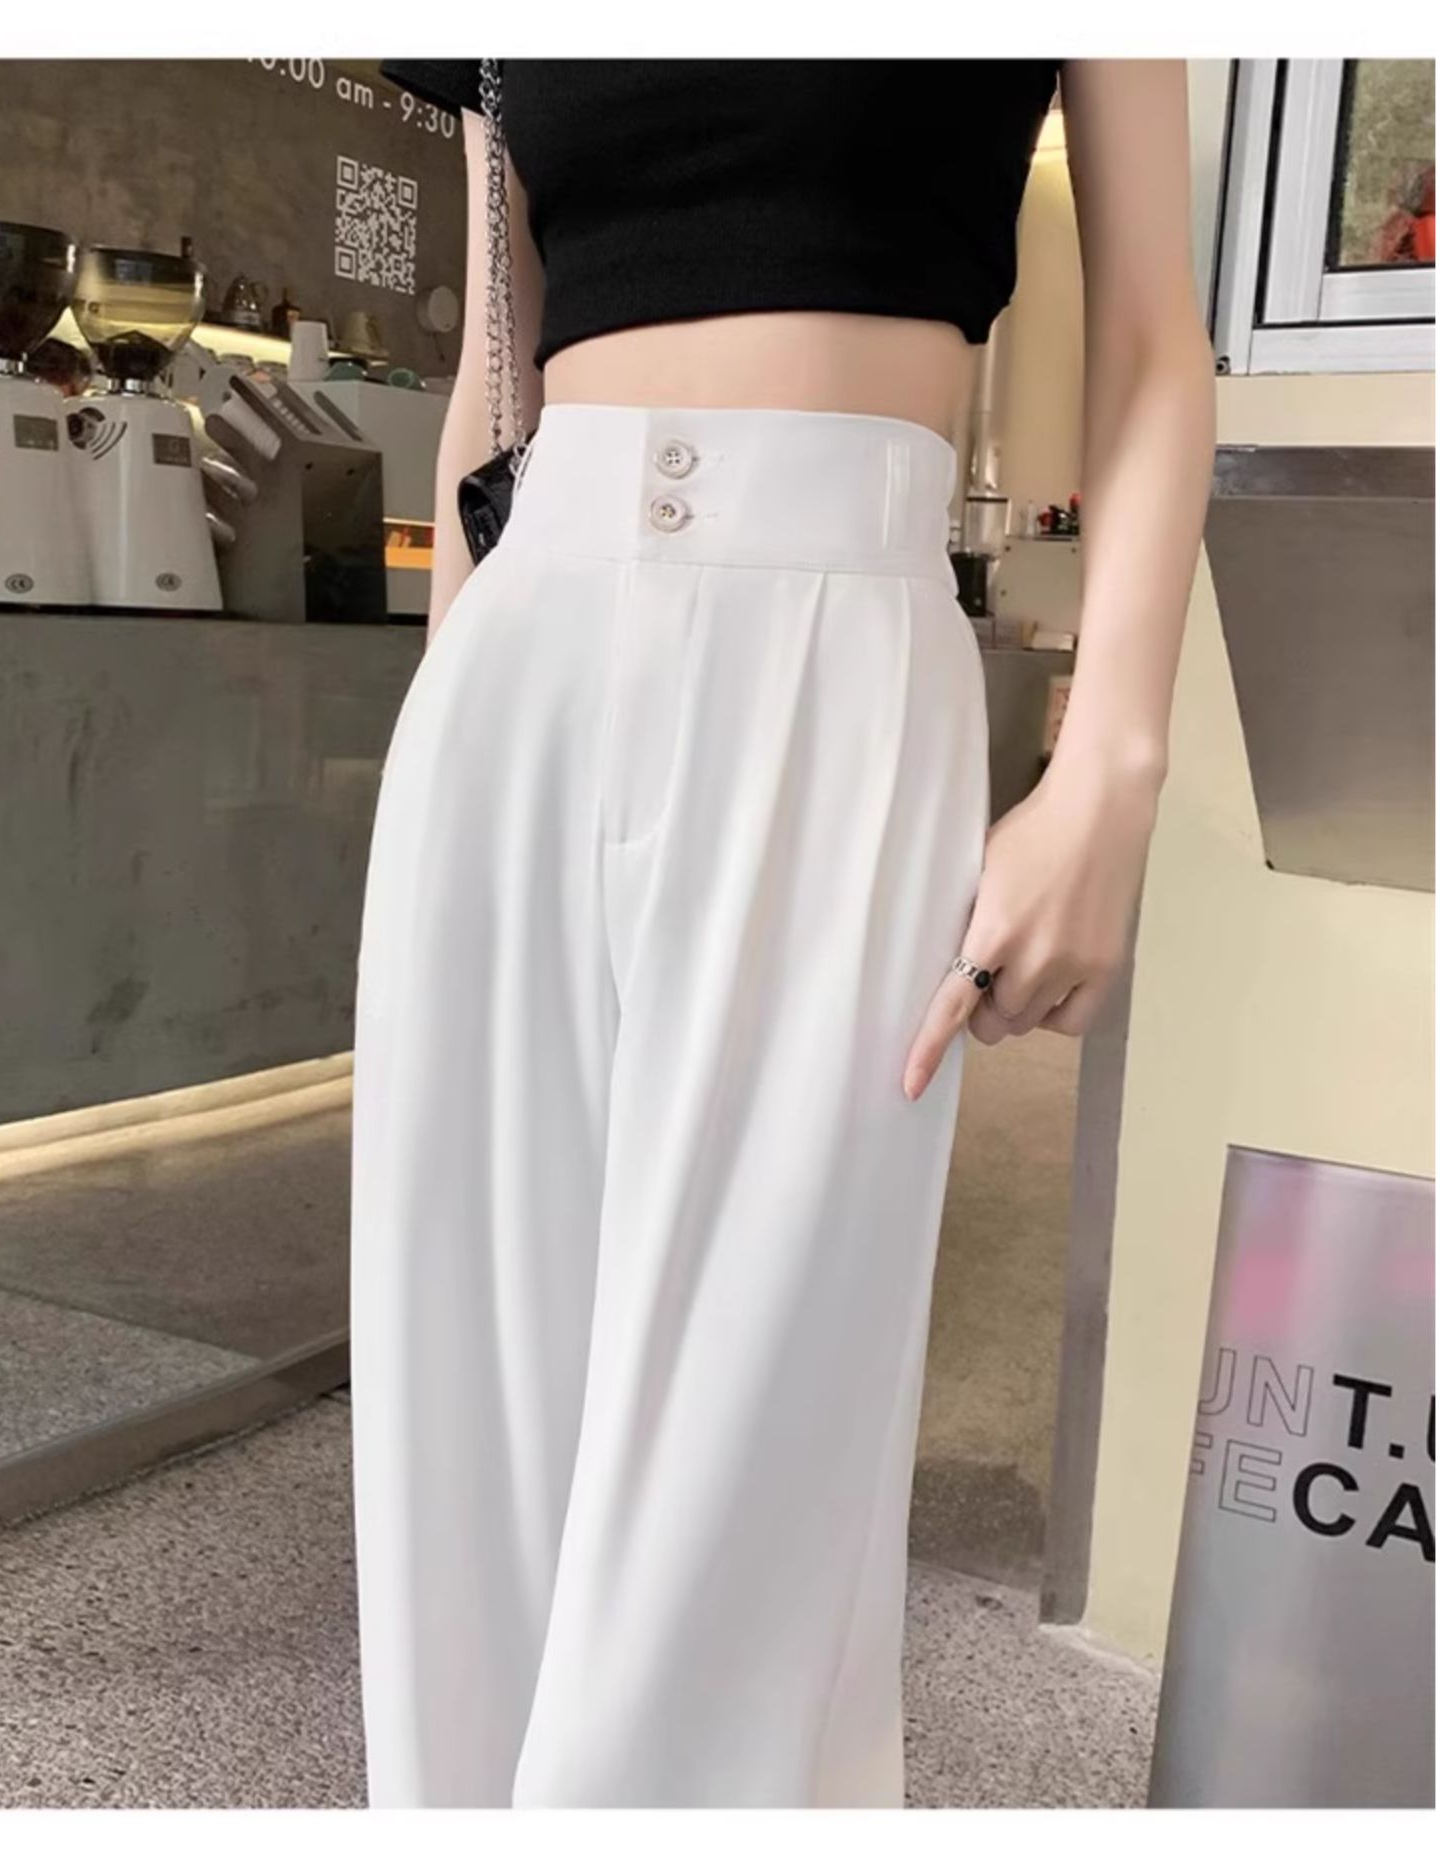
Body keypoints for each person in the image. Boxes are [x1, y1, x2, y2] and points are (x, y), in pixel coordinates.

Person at [350, 58, 1215, 1809]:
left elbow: (1150, 341)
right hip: (518, 673)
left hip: (836, 662)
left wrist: (1112, 765)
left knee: (740, 1489)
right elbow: (497, 364)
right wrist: (451, 693)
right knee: (470, 1457)